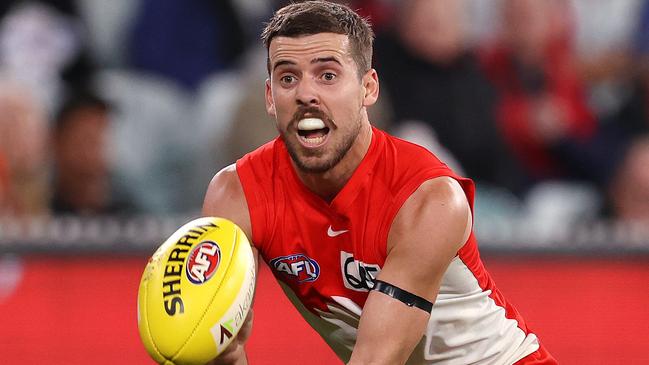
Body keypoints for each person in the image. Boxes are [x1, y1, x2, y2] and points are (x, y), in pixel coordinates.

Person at [202, 1, 556, 364]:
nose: (305, 95)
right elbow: (221, 345)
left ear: (368, 89)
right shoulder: (236, 194)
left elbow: (377, 357)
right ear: (270, 98)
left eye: (327, 75)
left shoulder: (427, 197)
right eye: (288, 78)